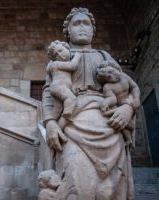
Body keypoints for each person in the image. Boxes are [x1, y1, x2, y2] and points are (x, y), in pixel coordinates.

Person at [42, 7, 139, 200]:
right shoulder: (61, 57)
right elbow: (48, 92)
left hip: (110, 128)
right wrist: (50, 122)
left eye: (86, 23)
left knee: (112, 190)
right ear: (68, 30)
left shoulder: (105, 57)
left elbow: (125, 86)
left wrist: (127, 108)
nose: (82, 27)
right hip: (72, 128)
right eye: (76, 24)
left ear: (93, 30)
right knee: (77, 187)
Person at [46, 40, 82, 119]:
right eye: (56, 54)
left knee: (58, 107)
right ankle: (67, 113)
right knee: (71, 98)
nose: (60, 55)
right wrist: (77, 57)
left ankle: (53, 119)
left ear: (67, 49)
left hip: (60, 87)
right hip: (58, 87)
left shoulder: (54, 64)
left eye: (60, 51)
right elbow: (72, 66)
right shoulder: (56, 64)